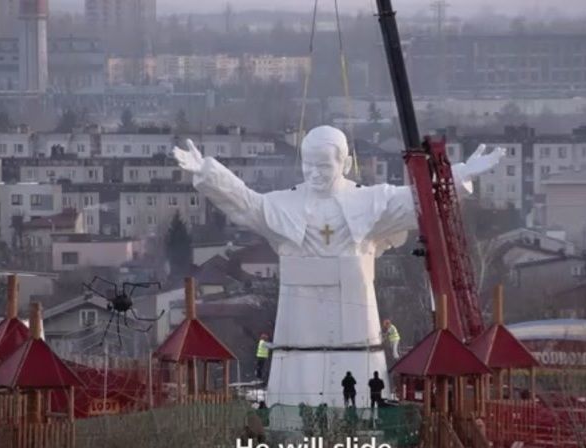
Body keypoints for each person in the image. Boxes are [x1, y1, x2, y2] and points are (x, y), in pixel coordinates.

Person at [173, 126, 505, 407]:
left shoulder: (370, 201)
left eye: (324, 166)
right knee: (298, 375)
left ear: (344, 163)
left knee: (359, 378)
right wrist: (208, 174)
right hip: (299, 315)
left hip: (355, 311)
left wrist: (460, 174)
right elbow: (246, 203)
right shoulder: (285, 204)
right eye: (308, 165)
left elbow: (418, 201)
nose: (315, 173)